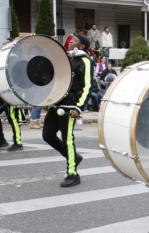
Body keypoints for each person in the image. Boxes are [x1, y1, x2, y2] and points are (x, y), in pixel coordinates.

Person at [42, 35, 93, 187]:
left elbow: (88, 86)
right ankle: (73, 157)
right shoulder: (65, 58)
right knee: (47, 135)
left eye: (75, 40)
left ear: (82, 46)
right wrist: (47, 100)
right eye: (71, 39)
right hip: (56, 104)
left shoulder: (85, 60)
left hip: (70, 106)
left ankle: (73, 173)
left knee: (67, 139)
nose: (71, 41)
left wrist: (79, 107)